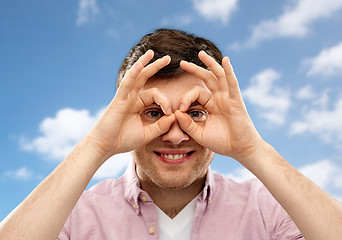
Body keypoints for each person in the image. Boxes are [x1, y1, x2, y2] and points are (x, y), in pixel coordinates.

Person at [0, 29, 341, 240]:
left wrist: (251, 148)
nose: (176, 135)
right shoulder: (74, 216)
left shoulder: (267, 208)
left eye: (195, 113)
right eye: (153, 113)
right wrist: (97, 145)